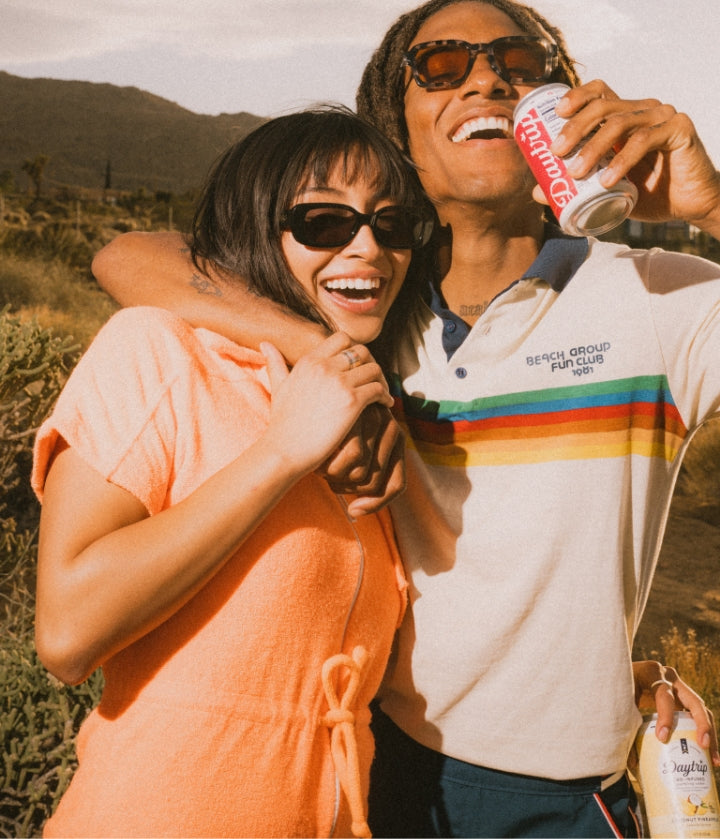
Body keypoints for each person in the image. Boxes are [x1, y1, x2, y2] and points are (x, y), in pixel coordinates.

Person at [91, 1, 720, 836]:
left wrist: (710, 208)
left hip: (561, 799)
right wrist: (328, 355)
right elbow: (128, 255)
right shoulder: (368, 296)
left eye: (519, 61)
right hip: (369, 764)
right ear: (399, 130)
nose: (489, 78)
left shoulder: (659, 297)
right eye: (444, 65)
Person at [32, 105, 436, 838]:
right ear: (255, 227)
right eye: (324, 223)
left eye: (392, 223)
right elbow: (66, 632)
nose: (369, 246)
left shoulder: (376, 417)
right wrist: (280, 454)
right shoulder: (161, 351)